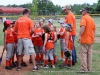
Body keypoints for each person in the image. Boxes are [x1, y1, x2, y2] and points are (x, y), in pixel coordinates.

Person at [78, 7, 96, 73]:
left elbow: (83, 27)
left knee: (83, 54)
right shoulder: (91, 19)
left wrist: (79, 36)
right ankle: (89, 68)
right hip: (91, 40)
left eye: (82, 11)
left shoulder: (84, 17)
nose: (81, 12)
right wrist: (93, 38)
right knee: (89, 54)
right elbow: (94, 30)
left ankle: (84, 69)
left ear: (85, 11)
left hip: (85, 39)